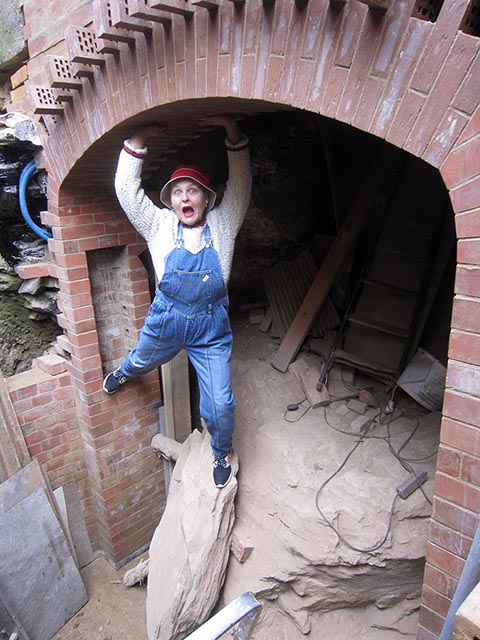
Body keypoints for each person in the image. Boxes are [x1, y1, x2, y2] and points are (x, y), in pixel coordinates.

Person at [103, 115, 252, 489]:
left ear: (206, 198)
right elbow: (126, 190)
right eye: (178, 192)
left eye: (193, 190)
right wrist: (138, 140)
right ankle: (125, 372)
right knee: (142, 358)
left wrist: (232, 133)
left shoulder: (224, 223)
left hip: (211, 330)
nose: (185, 197)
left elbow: (242, 186)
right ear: (170, 201)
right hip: (166, 320)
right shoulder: (159, 226)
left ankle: (221, 451)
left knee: (220, 404)